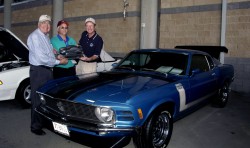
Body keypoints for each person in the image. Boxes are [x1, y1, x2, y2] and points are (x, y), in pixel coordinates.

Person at [27, 14, 68, 136]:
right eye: (44, 23)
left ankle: (43, 122)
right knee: (37, 99)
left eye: (48, 23)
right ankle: (35, 126)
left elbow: (50, 51)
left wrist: (57, 55)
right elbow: (41, 58)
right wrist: (59, 61)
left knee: (46, 99)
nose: (46, 25)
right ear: (39, 24)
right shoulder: (35, 37)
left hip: (47, 71)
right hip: (39, 71)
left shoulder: (44, 36)